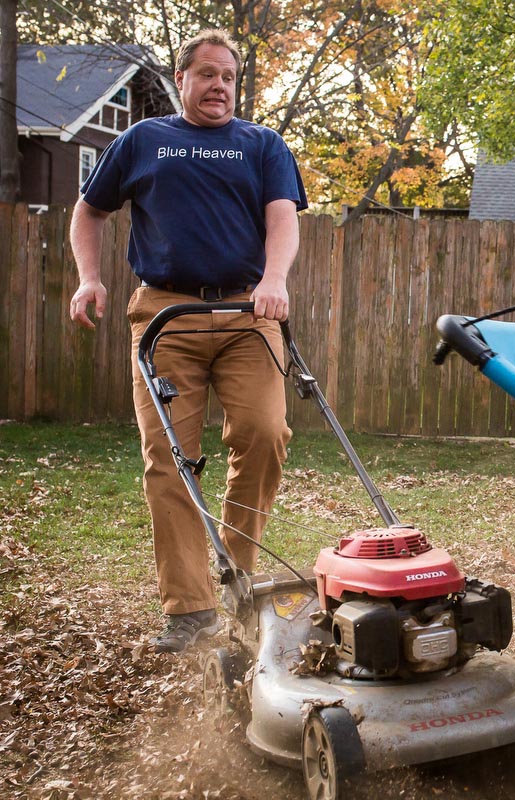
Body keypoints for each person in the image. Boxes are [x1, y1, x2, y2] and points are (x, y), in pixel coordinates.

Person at [68, 29, 308, 654]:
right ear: (183, 80)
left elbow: (283, 215)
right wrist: (88, 278)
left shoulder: (262, 144)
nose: (219, 86)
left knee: (265, 431)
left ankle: (237, 570)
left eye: (228, 76)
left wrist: (274, 279)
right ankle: (190, 609)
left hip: (246, 310)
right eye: (207, 74)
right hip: (163, 315)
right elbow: (88, 210)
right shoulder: (144, 140)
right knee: (171, 456)